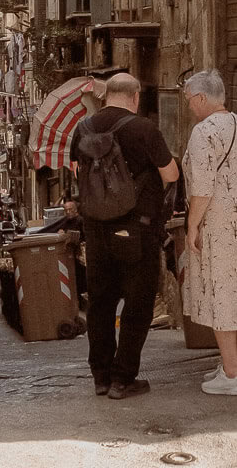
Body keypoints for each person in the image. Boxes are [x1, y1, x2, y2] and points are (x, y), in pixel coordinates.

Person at [70, 73, 179, 399]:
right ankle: (123, 379)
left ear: (105, 97)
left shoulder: (83, 128)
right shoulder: (144, 128)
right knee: (138, 305)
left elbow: (76, 171)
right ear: (134, 97)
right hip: (138, 229)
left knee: (100, 303)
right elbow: (170, 174)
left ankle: (101, 376)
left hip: (96, 229)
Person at [182, 69, 237, 395]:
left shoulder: (204, 132)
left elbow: (202, 188)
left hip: (218, 226)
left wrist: (192, 226)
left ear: (201, 98)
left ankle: (231, 374)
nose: (189, 106)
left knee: (222, 296)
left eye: (190, 100)